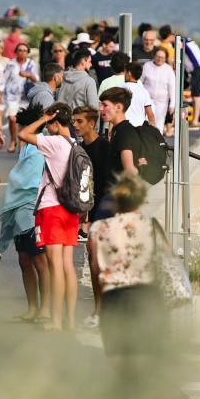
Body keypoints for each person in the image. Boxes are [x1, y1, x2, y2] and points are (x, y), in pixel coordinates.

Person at [89, 173, 167, 372]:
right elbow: (167, 261)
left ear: (116, 199)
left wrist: (99, 302)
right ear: (142, 199)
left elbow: (95, 268)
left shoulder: (99, 228)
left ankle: (122, 398)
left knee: (118, 361)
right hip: (147, 297)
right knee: (144, 360)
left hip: (114, 297)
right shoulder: (152, 226)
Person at [17, 103, 80, 331]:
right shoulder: (74, 144)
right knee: (67, 266)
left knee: (55, 268)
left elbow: (23, 134)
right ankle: (70, 321)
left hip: (52, 208)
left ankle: (54, 320)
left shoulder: (54, 143)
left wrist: (43, 118)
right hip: (71, 209)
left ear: (55, 122)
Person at [0, 104, 49, 322]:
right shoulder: (28, 146)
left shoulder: (39, 145)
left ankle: (44, 310)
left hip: (33, 207)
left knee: (39, 261)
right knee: (24, 259)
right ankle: (32, 308)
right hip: (21, 208)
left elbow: (28, 179)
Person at [71, 105, 115, 327]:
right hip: (90, 207)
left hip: (106, 208)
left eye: (79, 121)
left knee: (101, 258)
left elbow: (111, 182)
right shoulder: (78, 148)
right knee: (93, 260)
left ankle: (107, 308)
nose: (75, 125)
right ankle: (99, 309)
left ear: (91, 123)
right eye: (74, 121)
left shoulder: (105, 147)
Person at [0, 41, 39, 152]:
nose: (22, 52)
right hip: (11, 95)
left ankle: (21, 143)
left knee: (23, 121)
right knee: (12, 118)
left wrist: (29, 74)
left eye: (24, 50)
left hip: (25, 97)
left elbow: (37, 79)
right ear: (16, 51)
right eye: (20, 50)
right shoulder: (11, 64)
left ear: (28, 52)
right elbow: (3, 79)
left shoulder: (31, 64)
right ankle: (13, 140)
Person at [141, 48, 177, 136]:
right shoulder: (147, 66)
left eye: (163, 57)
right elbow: (141, 82)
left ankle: (158, 143)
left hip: (162, 101)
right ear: (154, 56)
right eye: (158, 56)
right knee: (148, 121)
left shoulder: (168, 69)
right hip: (148, 100)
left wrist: (172, 104)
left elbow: (172, 87)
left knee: (159, 122)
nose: (160, 59)